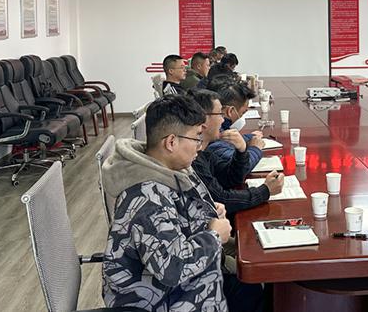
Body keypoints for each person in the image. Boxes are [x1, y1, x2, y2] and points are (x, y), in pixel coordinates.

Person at [101, 95, 262, 312]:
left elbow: (174, 221)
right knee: (251, 290)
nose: (199, 146)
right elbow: (172, 270)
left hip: (178, 285)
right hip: (157, 300)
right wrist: (214, 236)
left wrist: (207, 214)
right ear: (171, 142)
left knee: (250, 282)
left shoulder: (168, 168)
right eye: (196, 138)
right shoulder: (146, 197)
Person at [190, 89, 284, 214]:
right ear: (204, 120)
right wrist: (265, 190)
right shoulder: (192, 159)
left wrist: (241, 151)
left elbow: (231, 178)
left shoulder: (204, 153)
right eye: (219, 114)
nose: (223, 120)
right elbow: (222, 199)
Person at [207, 80, 265, 172]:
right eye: (243, 113)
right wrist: (255, 149)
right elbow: (240, 168)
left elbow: (227, 141)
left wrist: (248, 137)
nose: (242, 117)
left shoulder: (220, 128)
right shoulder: (213, 134)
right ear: (230, 111)